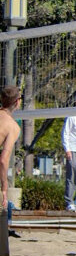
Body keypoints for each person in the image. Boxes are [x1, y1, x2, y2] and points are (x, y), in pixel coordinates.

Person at [1, 86, 22, 237]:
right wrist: (4, 189)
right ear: (17, 102)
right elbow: (3, 160)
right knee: (5, 205)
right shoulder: (13, 126)